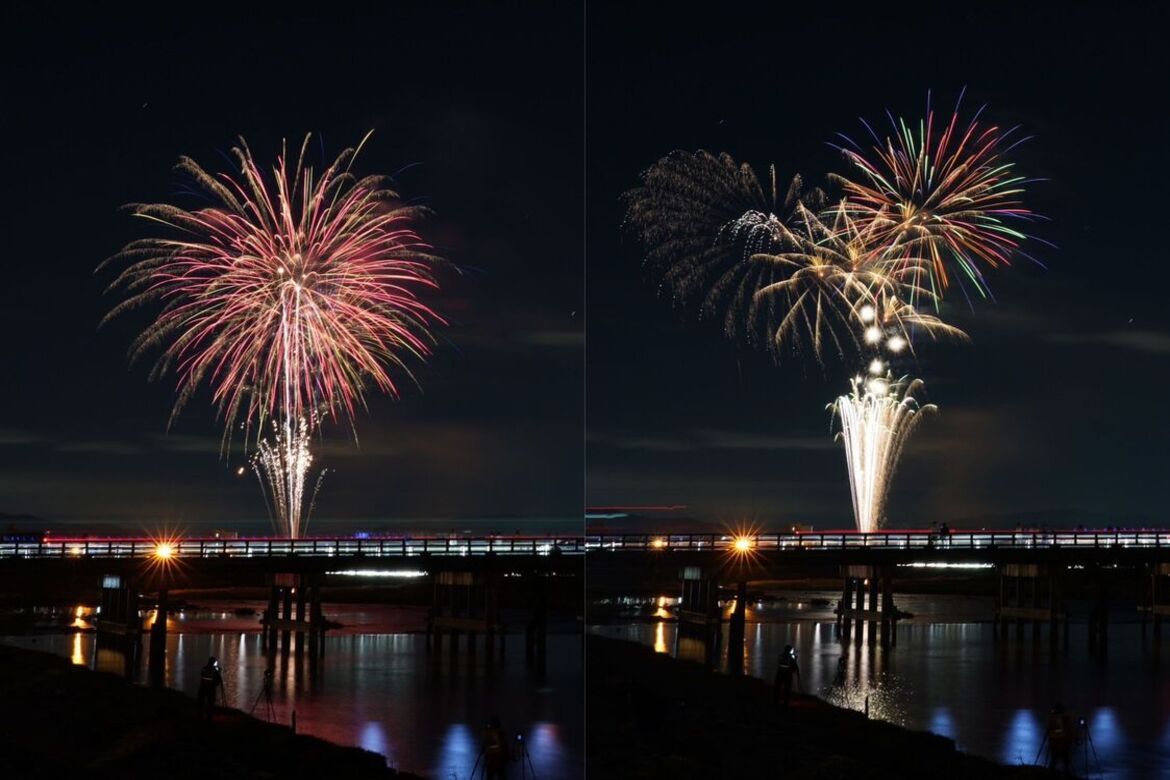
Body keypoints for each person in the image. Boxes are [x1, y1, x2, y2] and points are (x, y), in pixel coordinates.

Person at [1045, 702, 1075, 773]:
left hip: (1058, 743)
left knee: (1056, 760)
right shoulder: (1064, 719)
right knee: (1063, 761)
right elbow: (1068, 730)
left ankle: (1053, 773)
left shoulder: (1060, 719)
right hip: (1061, 743)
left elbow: (1052, 731)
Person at [197, 656, 224, 721]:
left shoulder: (204, 668)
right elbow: (218, 682)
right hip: (211, 689)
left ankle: (200, 715)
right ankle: (209, 717)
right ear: (213, 662)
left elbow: (202, 676)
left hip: (202, 688)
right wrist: (218, 672)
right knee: (210, 703)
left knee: (201, 702)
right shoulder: (214, 671)